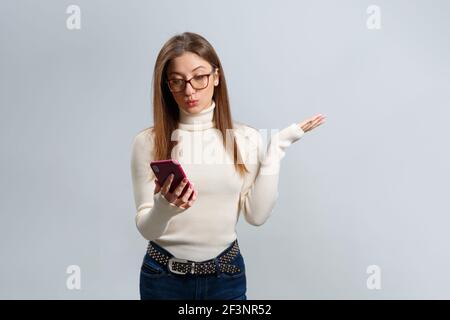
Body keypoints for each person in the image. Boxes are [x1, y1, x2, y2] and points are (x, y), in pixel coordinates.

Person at [130, 31, 325, 300]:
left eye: (199, 77)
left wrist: (276, 148)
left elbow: (256, 216)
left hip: (226, 276)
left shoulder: (246, 139)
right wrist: (165, 206)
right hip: (163, 279)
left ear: (217, 76)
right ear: (167, 86)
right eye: (177, 81)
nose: (190, 90)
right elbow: (146, 228)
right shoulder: (148, 142)